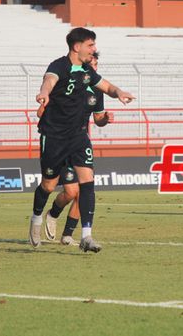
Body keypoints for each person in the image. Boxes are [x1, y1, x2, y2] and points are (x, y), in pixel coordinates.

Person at [31, 27, 134, 253]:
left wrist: (120, 93)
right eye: (90, 45)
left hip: (78, 136)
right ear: (77, 47)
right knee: (48, 185)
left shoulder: (88, 71)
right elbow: (49, 80)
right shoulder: (59, 65)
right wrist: (44, 93)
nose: (94, 49)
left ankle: (86, 235)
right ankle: (37, 218)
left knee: (87, 182)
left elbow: (106, 86)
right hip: (54, 135)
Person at [39, 51, 114, 246]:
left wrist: (105, 119)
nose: (92, 69)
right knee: (69, 192)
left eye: (95, 66)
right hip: (60, 142)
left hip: (79, 143)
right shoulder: (68, 83)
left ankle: (68, 235)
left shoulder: (97, 91)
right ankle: (52, 214)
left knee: (83, 191)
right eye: (90, 64)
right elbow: (45, 108)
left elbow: (98, 120)